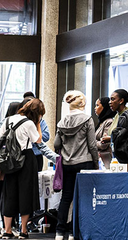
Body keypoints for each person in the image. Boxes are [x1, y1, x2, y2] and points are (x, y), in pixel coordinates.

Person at [54, 90, 99, 240]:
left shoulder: (62, 122)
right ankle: (74, 231)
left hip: (67, 163)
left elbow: (56, 143)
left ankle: (59, 232)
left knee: (66, 197)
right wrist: (95, 162)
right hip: (84, 162)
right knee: (82, 197)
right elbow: (92, 144)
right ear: (83, 104)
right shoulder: (87, 120)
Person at [0, 99, 45, 239]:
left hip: (9, 160)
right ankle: (23, 230)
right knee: (26, 194)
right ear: (37, 113)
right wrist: (37, 123)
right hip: (26, 159)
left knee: (9, 193)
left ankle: (7, 230)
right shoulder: (29, 123)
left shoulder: (7, 120)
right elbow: (38, 140)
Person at [94, 97, 116, 168]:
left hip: (105, 160)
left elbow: (103, 145)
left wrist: (91, 142)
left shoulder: (109, 122)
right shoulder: (101, 122)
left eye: (97, 105)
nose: (95, 108)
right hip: (99, 159)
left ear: (104, 107)